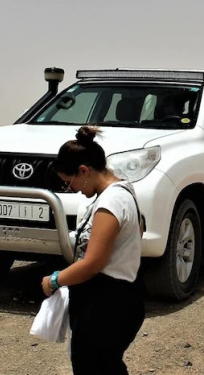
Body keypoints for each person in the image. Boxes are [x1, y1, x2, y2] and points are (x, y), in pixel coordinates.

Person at [41, 126, 144, 375]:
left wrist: (54, 280)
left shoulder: (111, 201)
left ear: (84, 171)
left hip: (107, 304)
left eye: (69, 182)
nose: (72, 189)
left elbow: (93, 263)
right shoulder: (122, 191)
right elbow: (139, 229)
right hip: (116, 301)